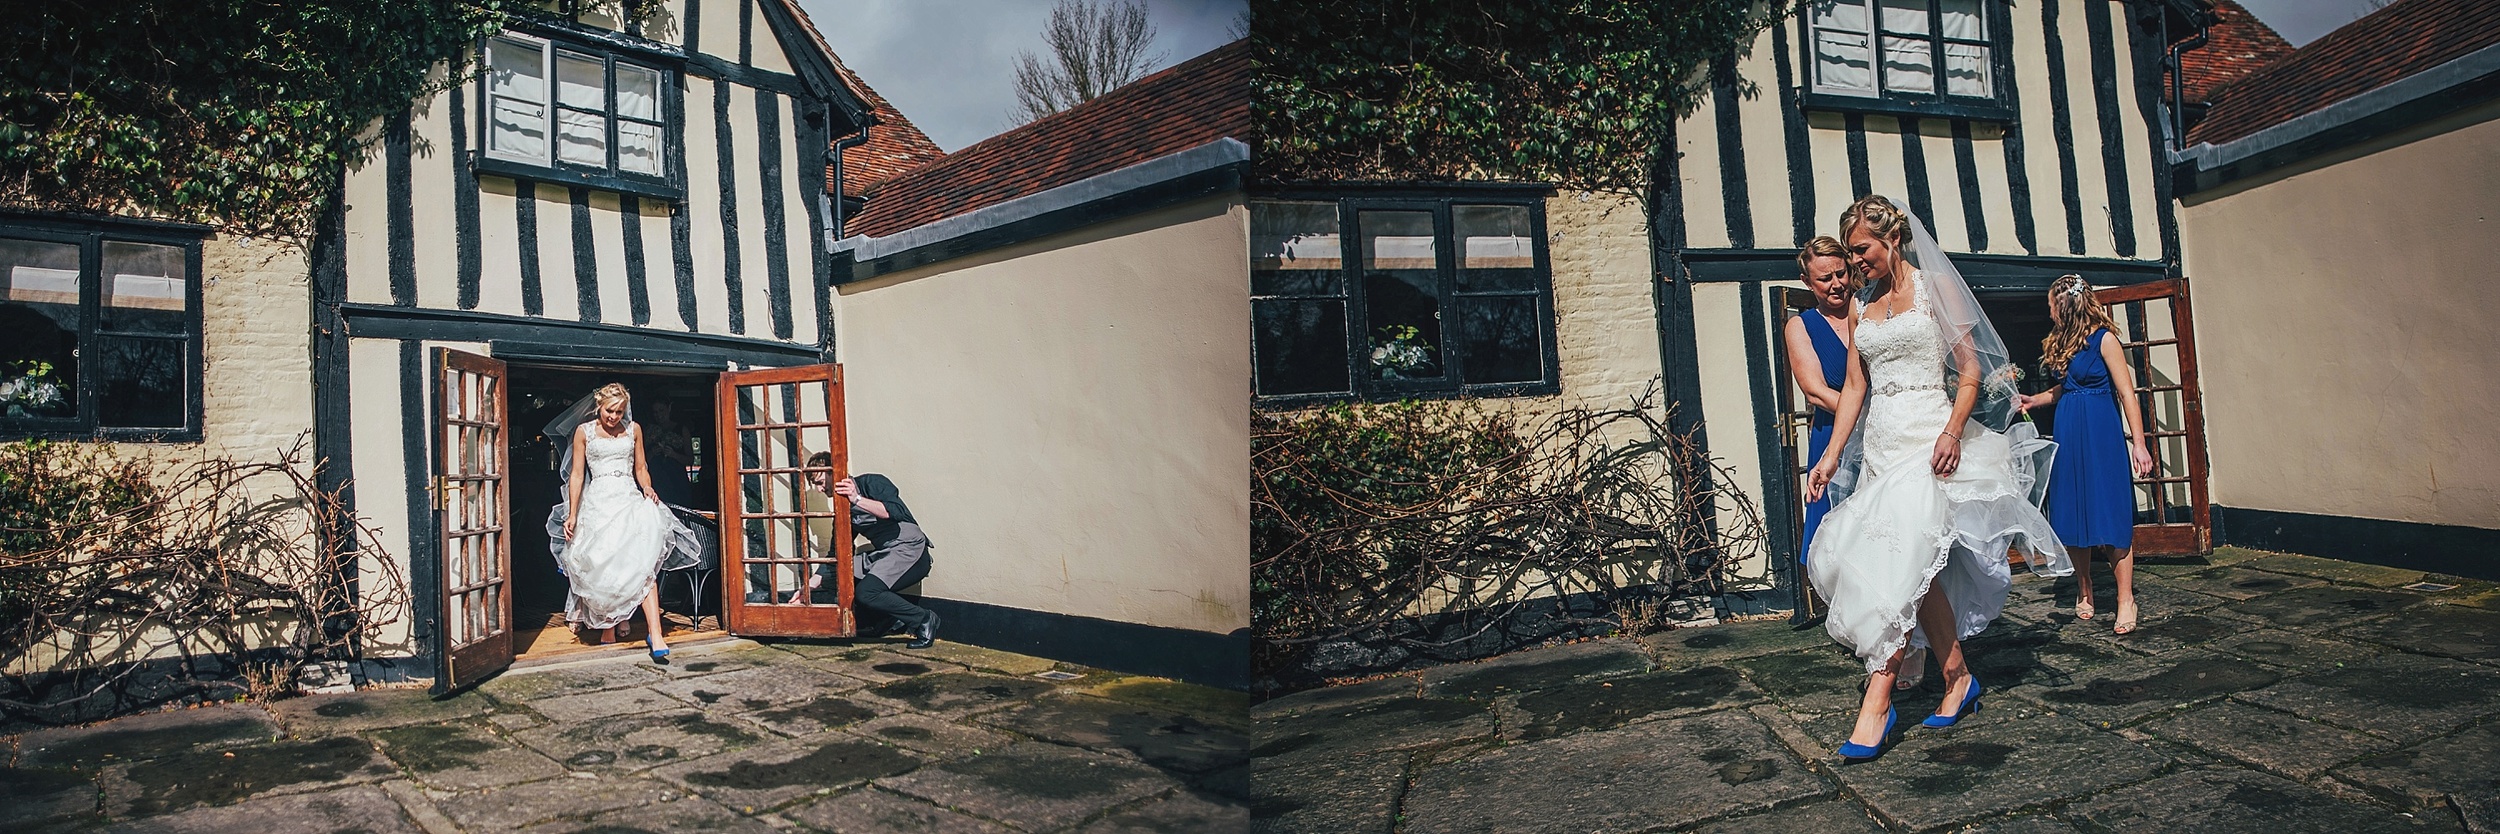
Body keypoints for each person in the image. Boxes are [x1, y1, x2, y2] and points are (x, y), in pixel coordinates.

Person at [1805, 195, 2071, 763]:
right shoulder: (1860, 305)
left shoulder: (1934, 289)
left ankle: (1876, 703)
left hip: (1929, 444)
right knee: (1913, 571)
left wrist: (1952, 432)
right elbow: (1855, 387)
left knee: (1899, 567)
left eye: (1861, 250)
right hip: (1880, 446)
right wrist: (1830, 457)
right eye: (1850, 253)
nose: (1854, 263)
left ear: (1892, 238)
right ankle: (1957, 677)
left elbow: (1971, 371)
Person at [1785, 236, 1936, 691]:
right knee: (1853, 547)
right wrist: (1867, 412)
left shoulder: (1870, 305)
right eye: (1823, 278)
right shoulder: (1801, 326)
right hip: (1837, 432)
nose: (1835, 283)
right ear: (1807, 283)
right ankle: (1874, 643)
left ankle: (1911, 651)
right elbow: (1814, 390)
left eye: (1840, 273)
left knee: (1904, 541)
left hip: (1893, 431)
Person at [2020, 276, 2156, 634]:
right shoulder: (2064, 342)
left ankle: (2125, 598)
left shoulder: (2104, 340)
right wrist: (2035, 400)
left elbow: (2127, 393)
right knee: (2072, 511)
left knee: (2110, 512)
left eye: (2051, 303)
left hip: (2101, 432)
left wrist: (2138, 444)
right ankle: (2085, 587)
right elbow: (2067, 388)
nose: (2048, 310)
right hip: (2069, 431)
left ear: (2065, 305)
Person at [556, 383, 677, 663]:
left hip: (628, 501)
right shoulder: (583, 432)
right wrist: (572, 513)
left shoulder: (633, 429)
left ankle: (655, 633)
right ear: (599, 405)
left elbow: (641, 468)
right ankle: (608, 623)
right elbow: (576, 475)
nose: (614, 416)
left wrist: (647, 487)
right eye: (610, 410)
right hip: (598, 503)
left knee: (642, 566)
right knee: (604, 565)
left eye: (620, 411)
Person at [804, 453, 939, 649]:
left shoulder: (871, 482)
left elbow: (895, 511)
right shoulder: (843, 510)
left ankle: (924, 619)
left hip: (910, 549)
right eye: (815, 485)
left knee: (867, 592)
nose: (819, 489)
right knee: (843, 574)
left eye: (820, 482)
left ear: (835, 473)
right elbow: (839, 553)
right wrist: (809, 586)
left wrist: (856, 498)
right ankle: (881, 622)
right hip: (885, 553)